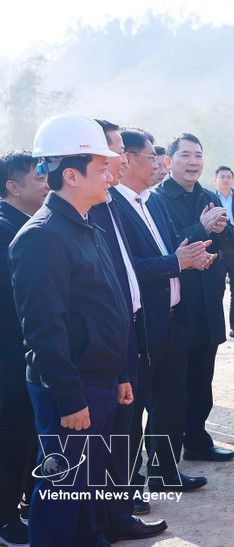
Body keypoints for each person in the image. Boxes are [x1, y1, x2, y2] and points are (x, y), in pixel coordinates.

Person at [9, 115, 130, 546]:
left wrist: (119, 373)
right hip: (71, 390)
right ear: (71, 175)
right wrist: (69, 398)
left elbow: (107, 305)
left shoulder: (84, 223)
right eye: (102, 168)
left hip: (97, 382)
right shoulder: (40, 237)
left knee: (86, 487)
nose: (110, 175)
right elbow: (44, 330)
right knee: (61, 493)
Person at [111, 129, 214, 502]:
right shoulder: (112, 207)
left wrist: (192, 258)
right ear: (128, 161)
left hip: (171, 318)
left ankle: (165, 473)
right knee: (131, 410)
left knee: (170, 403)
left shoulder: (150, 202)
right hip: (140, 325)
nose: (156, 164)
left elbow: (172, 247)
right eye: (150, 157)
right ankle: (122, 487)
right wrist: (176, 262)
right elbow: (125, 268)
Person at [88, 120, 168, 541]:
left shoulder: (113, 203)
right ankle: (100, 523)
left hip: (128, 334)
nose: (121, 158)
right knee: (102, 443)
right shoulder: (90, 209)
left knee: (122, 435)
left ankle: (118, 518)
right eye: (116, 150)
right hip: (104, 343)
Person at [155, 133, 234, 464]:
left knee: (203, 376)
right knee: (174, 385)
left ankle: (197, 439)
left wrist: (221, 230)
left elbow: (229, 245)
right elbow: (165, 247)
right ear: (168, 161)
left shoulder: (207, 195)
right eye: (185, 155)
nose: (193, 162)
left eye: (198, 155)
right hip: (178, 304)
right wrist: (202, 229)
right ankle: (166, 458)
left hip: (208, 298)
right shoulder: (157, 200)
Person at [0, 150, 48, 547]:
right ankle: (5, 521)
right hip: (10, 355)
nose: (48, 182)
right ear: (13, 187)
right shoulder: (5, 230)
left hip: (25, 352)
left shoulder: (29, 224)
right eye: (39, 177)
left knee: (25, 436)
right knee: (11, 438)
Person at [214, 165, 234, 340]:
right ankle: (217, 327)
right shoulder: (209, 199)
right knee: (217, 290)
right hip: (218, 251)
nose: (225, 180)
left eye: (228, 177)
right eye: (222, 177)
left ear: (232, 180)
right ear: (216, 180)